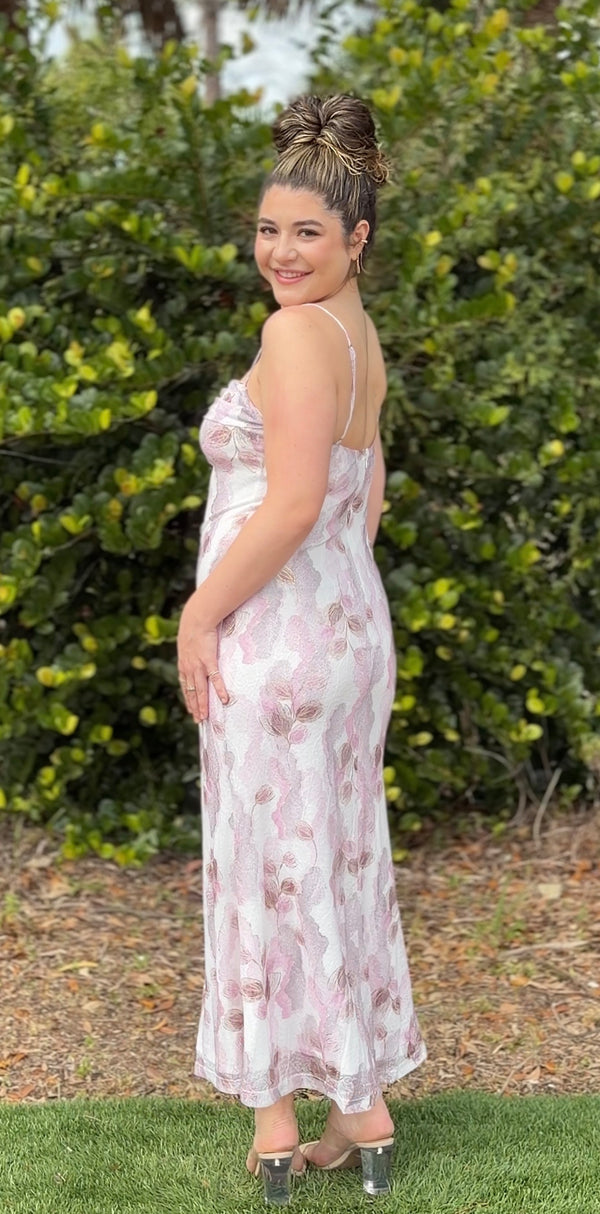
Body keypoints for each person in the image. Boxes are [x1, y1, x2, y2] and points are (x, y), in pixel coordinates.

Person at [176, 93, 426, 1205]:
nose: (281, 251)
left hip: (278, 638)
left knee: (264, 868)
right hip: (347, 630)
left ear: (356, 237)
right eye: (269, 229)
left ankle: (276, 1119)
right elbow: (364, 494)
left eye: (308, 232)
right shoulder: (358, 337)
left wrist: (200, 615)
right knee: (335, 857)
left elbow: (287, 506)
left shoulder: (293, 335)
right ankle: (361, 1111)